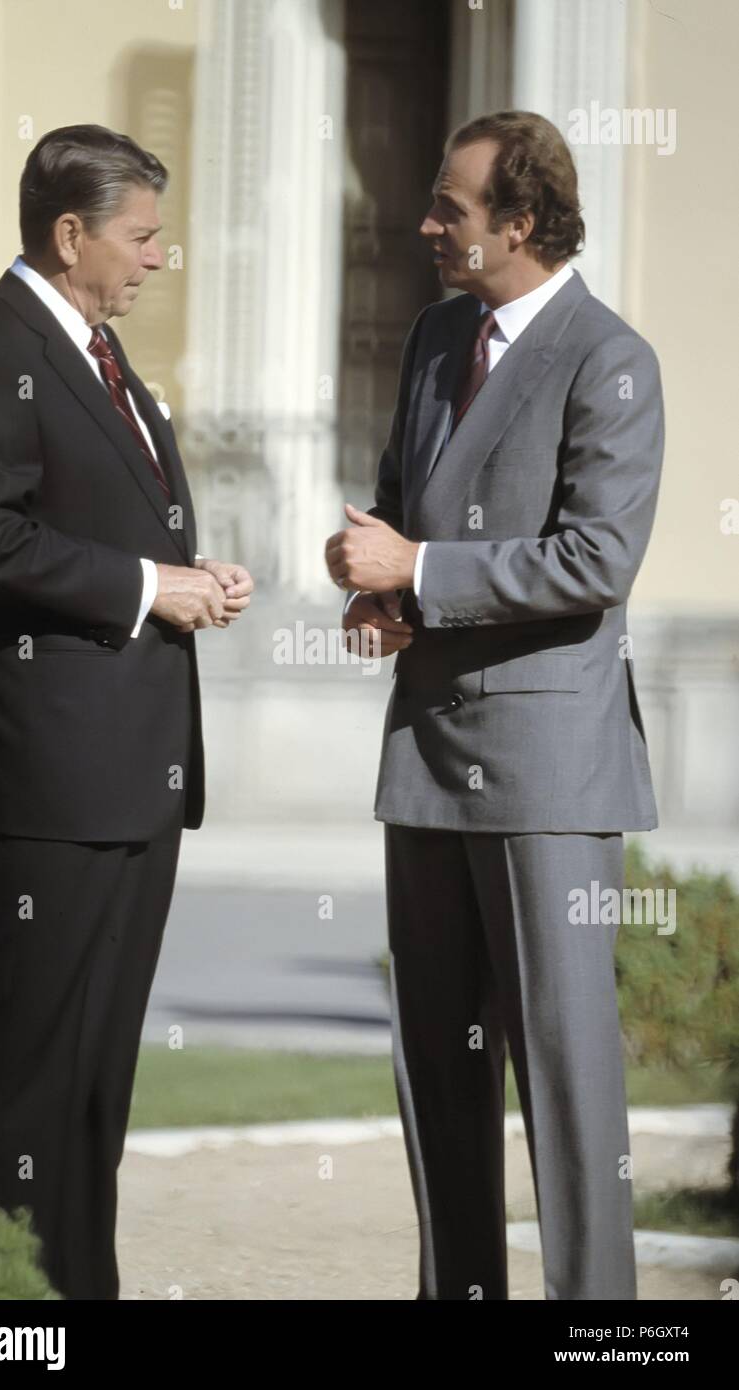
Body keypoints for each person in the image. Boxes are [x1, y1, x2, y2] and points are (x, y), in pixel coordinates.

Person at [325, 110, 664, 1300]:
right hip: (427, 750)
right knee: (436, 1064)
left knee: (567, 1079)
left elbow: (592, 562)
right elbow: (394, 512)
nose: (422, 225)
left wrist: (417, 572)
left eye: (449, 210)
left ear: (518, 223)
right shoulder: (431, 338)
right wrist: (373, 584)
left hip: (549, 762)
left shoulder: (611, 359)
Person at [0, 123, 254, 1300]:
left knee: (96, 1081)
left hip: (135, 774)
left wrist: (192, 579)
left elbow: (113, 527)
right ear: (71, 235)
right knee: (24, 1076)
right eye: (142, 235)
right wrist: (149, 587)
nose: (160, 258)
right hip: (52, 781)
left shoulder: (101, 353)